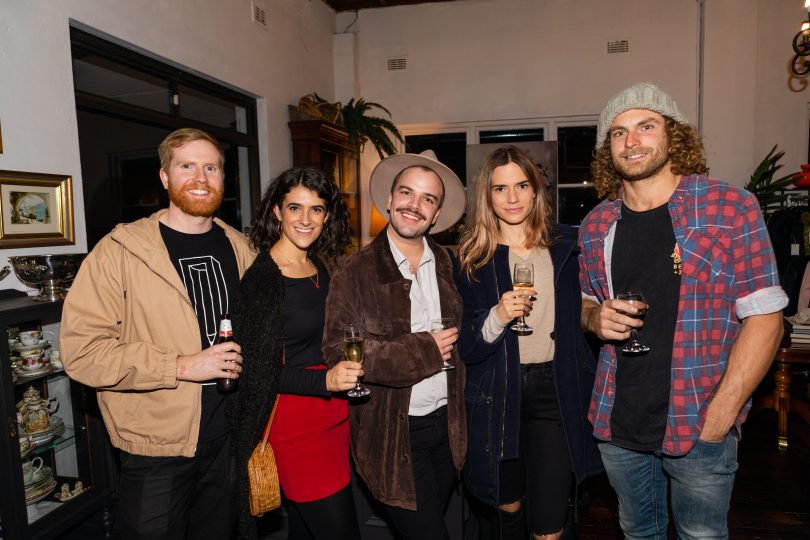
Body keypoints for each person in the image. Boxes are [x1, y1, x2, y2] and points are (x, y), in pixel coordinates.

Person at [579, 82, 788, 539]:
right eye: (617, 132)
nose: (631, 141)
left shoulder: (730, 207)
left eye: (645, 126)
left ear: (673, 136)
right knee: (638, 533)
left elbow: (766, 317)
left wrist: (722, 413)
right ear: (605, 147)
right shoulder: (596, 224)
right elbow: (587, 301)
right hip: (617, 423)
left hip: (699, 423)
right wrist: (594, 318)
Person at [61, 128, 256, 539]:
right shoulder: (119, 251)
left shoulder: (242, 249)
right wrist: (181, 366)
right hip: (157, 447)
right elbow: (82, 353)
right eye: (187, 166)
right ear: (165, 177)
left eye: (212, 167)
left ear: (224, 178)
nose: (201, 177)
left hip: (229, 440)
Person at [454, 146, 603, 540]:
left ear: (537, 190)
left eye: (521, 185)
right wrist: (498, 316)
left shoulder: (568, 247)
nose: (513, 197)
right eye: (500, 189)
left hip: (553, 392)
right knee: (508, 508)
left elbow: (592, 307)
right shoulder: (473, 259)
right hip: (496, 395)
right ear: (487, 196)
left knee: (550, 524)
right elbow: (467, 347)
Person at [322, 150, 467, 540]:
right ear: (389, 199)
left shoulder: (447, 264)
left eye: (427, 199)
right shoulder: (355, 271)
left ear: (436, 214)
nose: (414, 205)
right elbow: (339, 350)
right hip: (393, 434)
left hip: (448, 429)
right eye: (406, 193)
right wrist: (424, 350)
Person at [229, 167, 361, 540]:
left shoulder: (317, 265)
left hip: (333, 418)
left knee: (306, 531)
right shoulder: (262, 280)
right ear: (276, 211)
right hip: (295, 427)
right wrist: (324, 379)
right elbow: (254, 369)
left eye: (316, 209)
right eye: (295, 208)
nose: (306, 220)